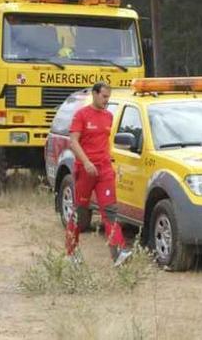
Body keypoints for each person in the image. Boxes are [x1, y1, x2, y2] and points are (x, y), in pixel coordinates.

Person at [64, 82, 132, 266]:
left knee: (110, 211)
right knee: (79, 210)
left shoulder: (109, 116)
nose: (106, 101)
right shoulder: (81, 115)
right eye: (103, 97)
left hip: (104, 170)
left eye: (108, 97)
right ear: (94, 94)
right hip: (85, 170)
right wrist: (86, 162)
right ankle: (71, 251)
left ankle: (118, 252)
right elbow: (73, 142)